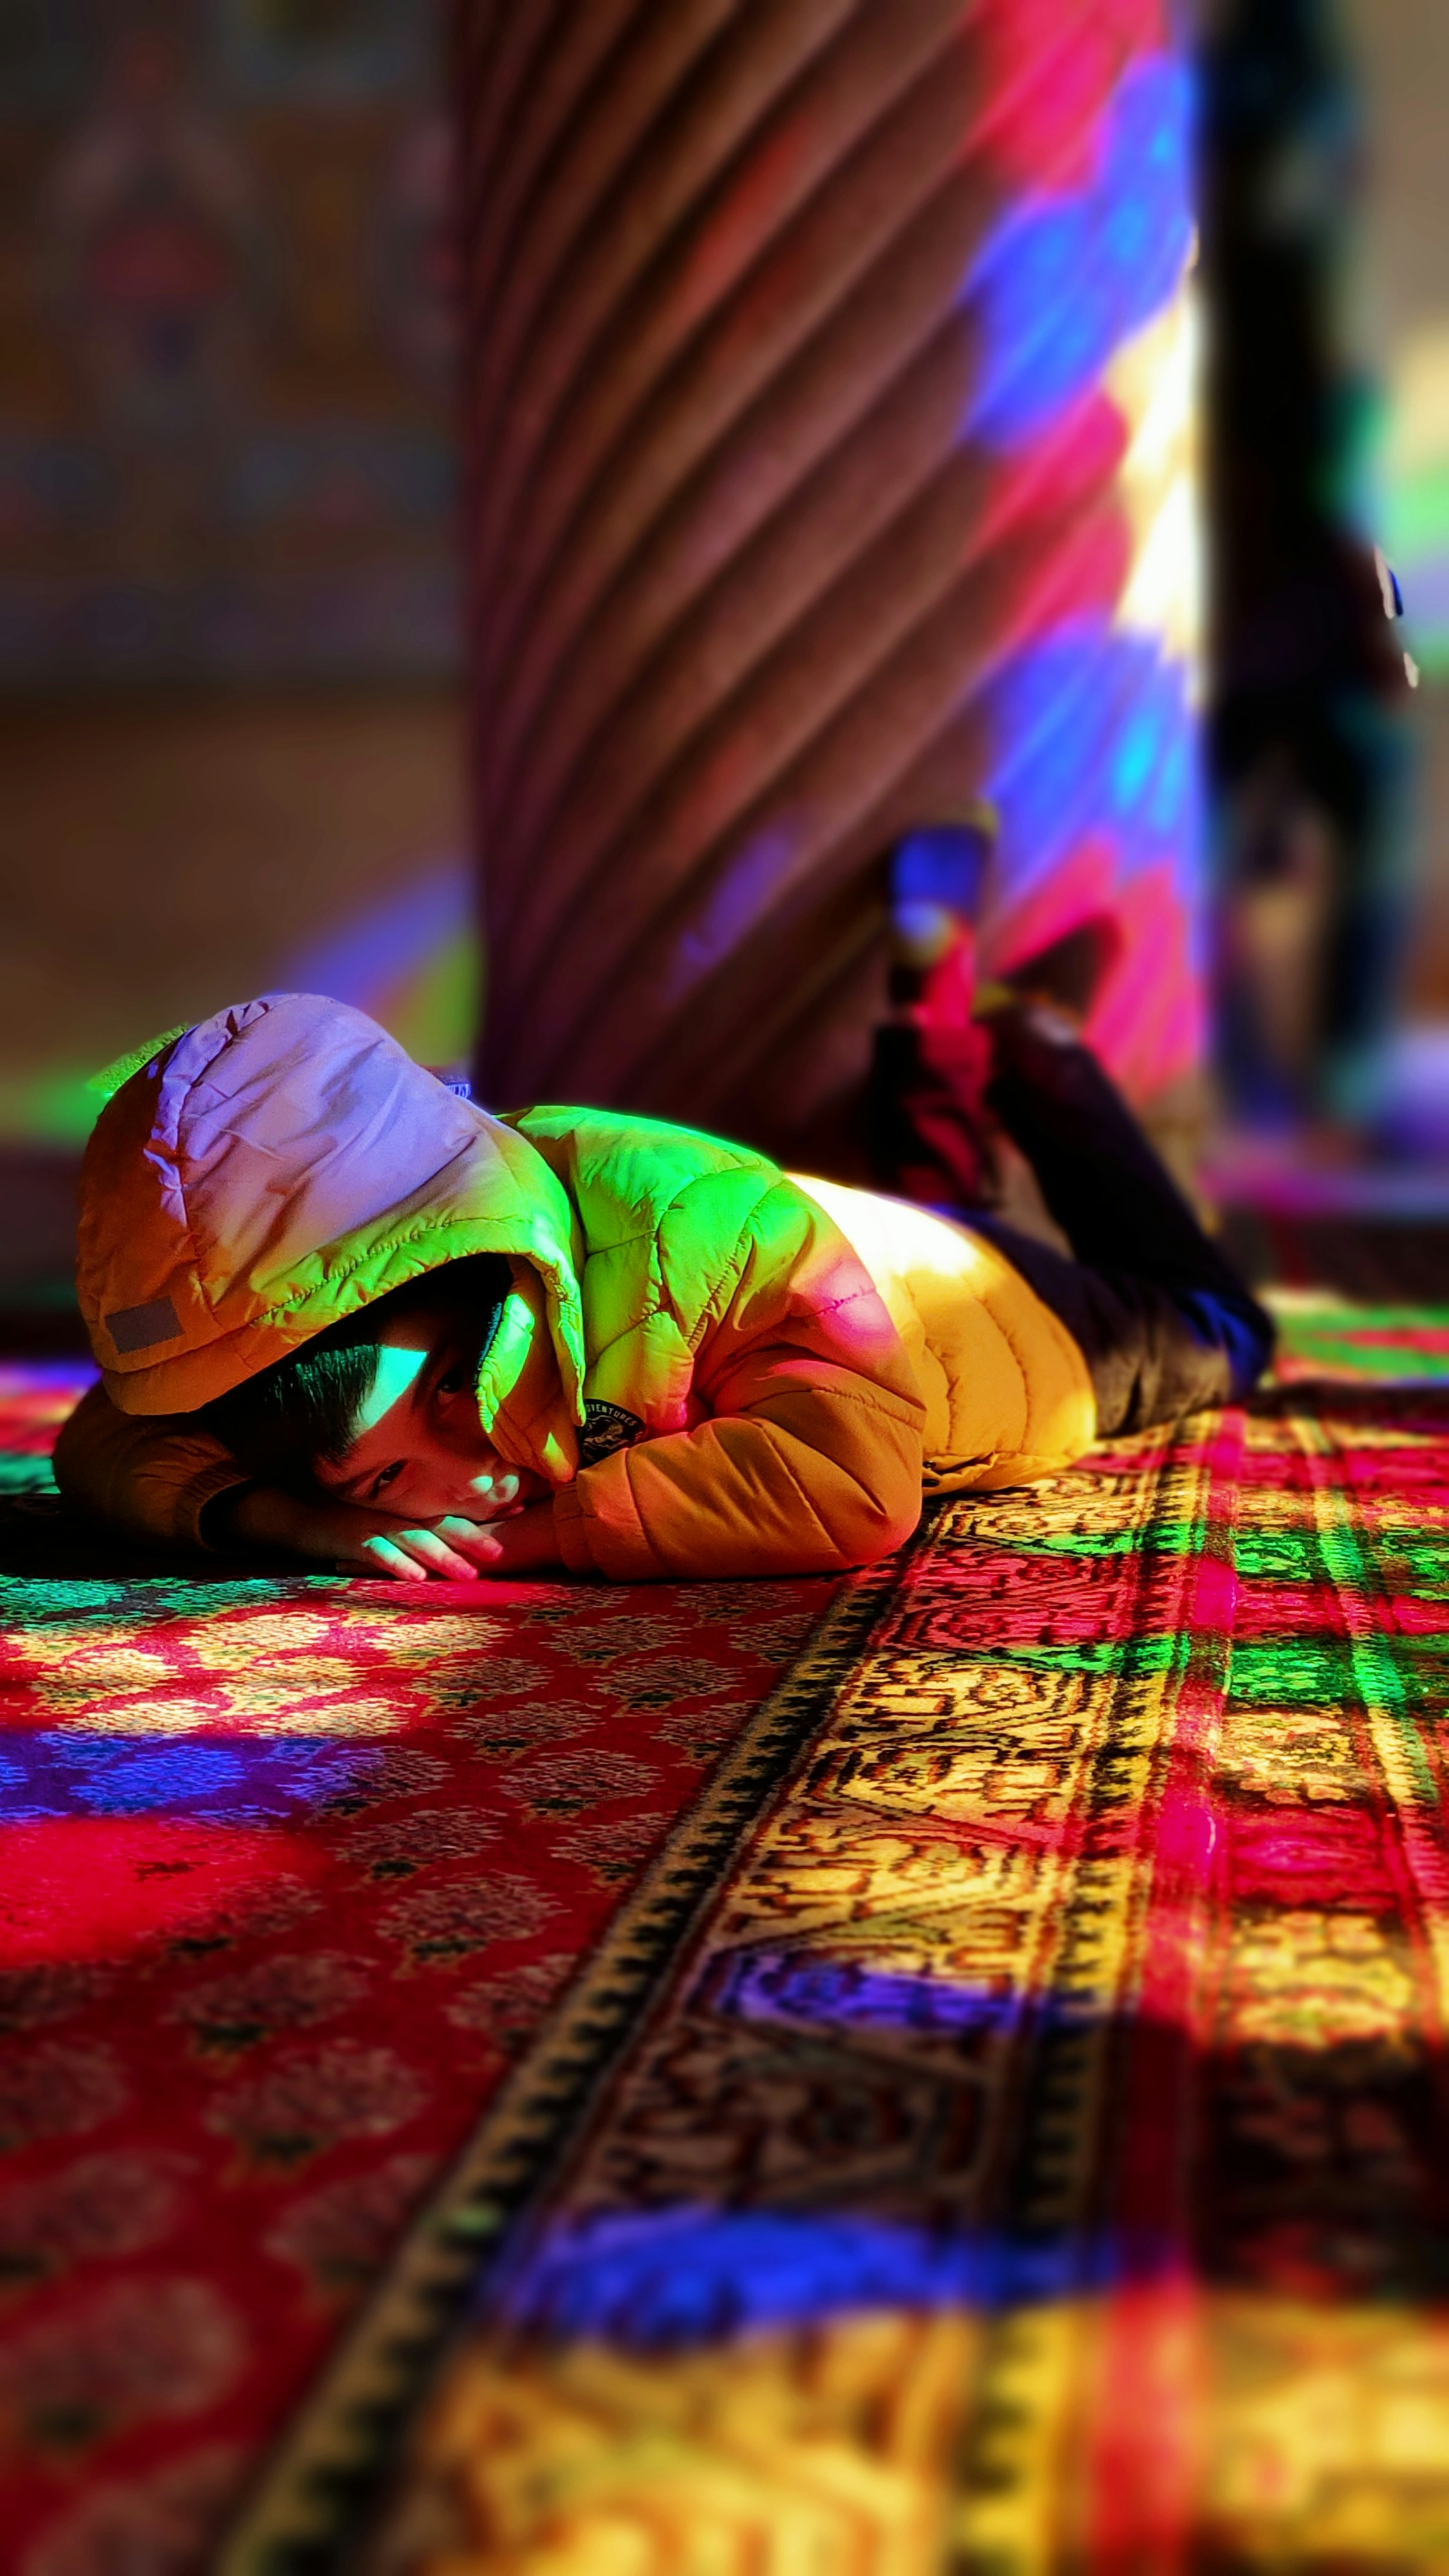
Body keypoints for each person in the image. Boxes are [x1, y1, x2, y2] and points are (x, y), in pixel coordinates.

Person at [55, 985, 1272, 1583]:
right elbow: (111, 1440)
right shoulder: (316, 1337)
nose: (463, 1471)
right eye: (386, 1479)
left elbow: (854, 1487)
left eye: (449, 1395)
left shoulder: (698, 1222)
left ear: (486, 1265)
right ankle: (933, 1043)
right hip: (836, 1258)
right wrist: (287, 1520)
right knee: (923, 1190)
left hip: (1003, 1318)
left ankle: (1050, 1069)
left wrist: (533, 1536)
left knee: (1214, 1321)